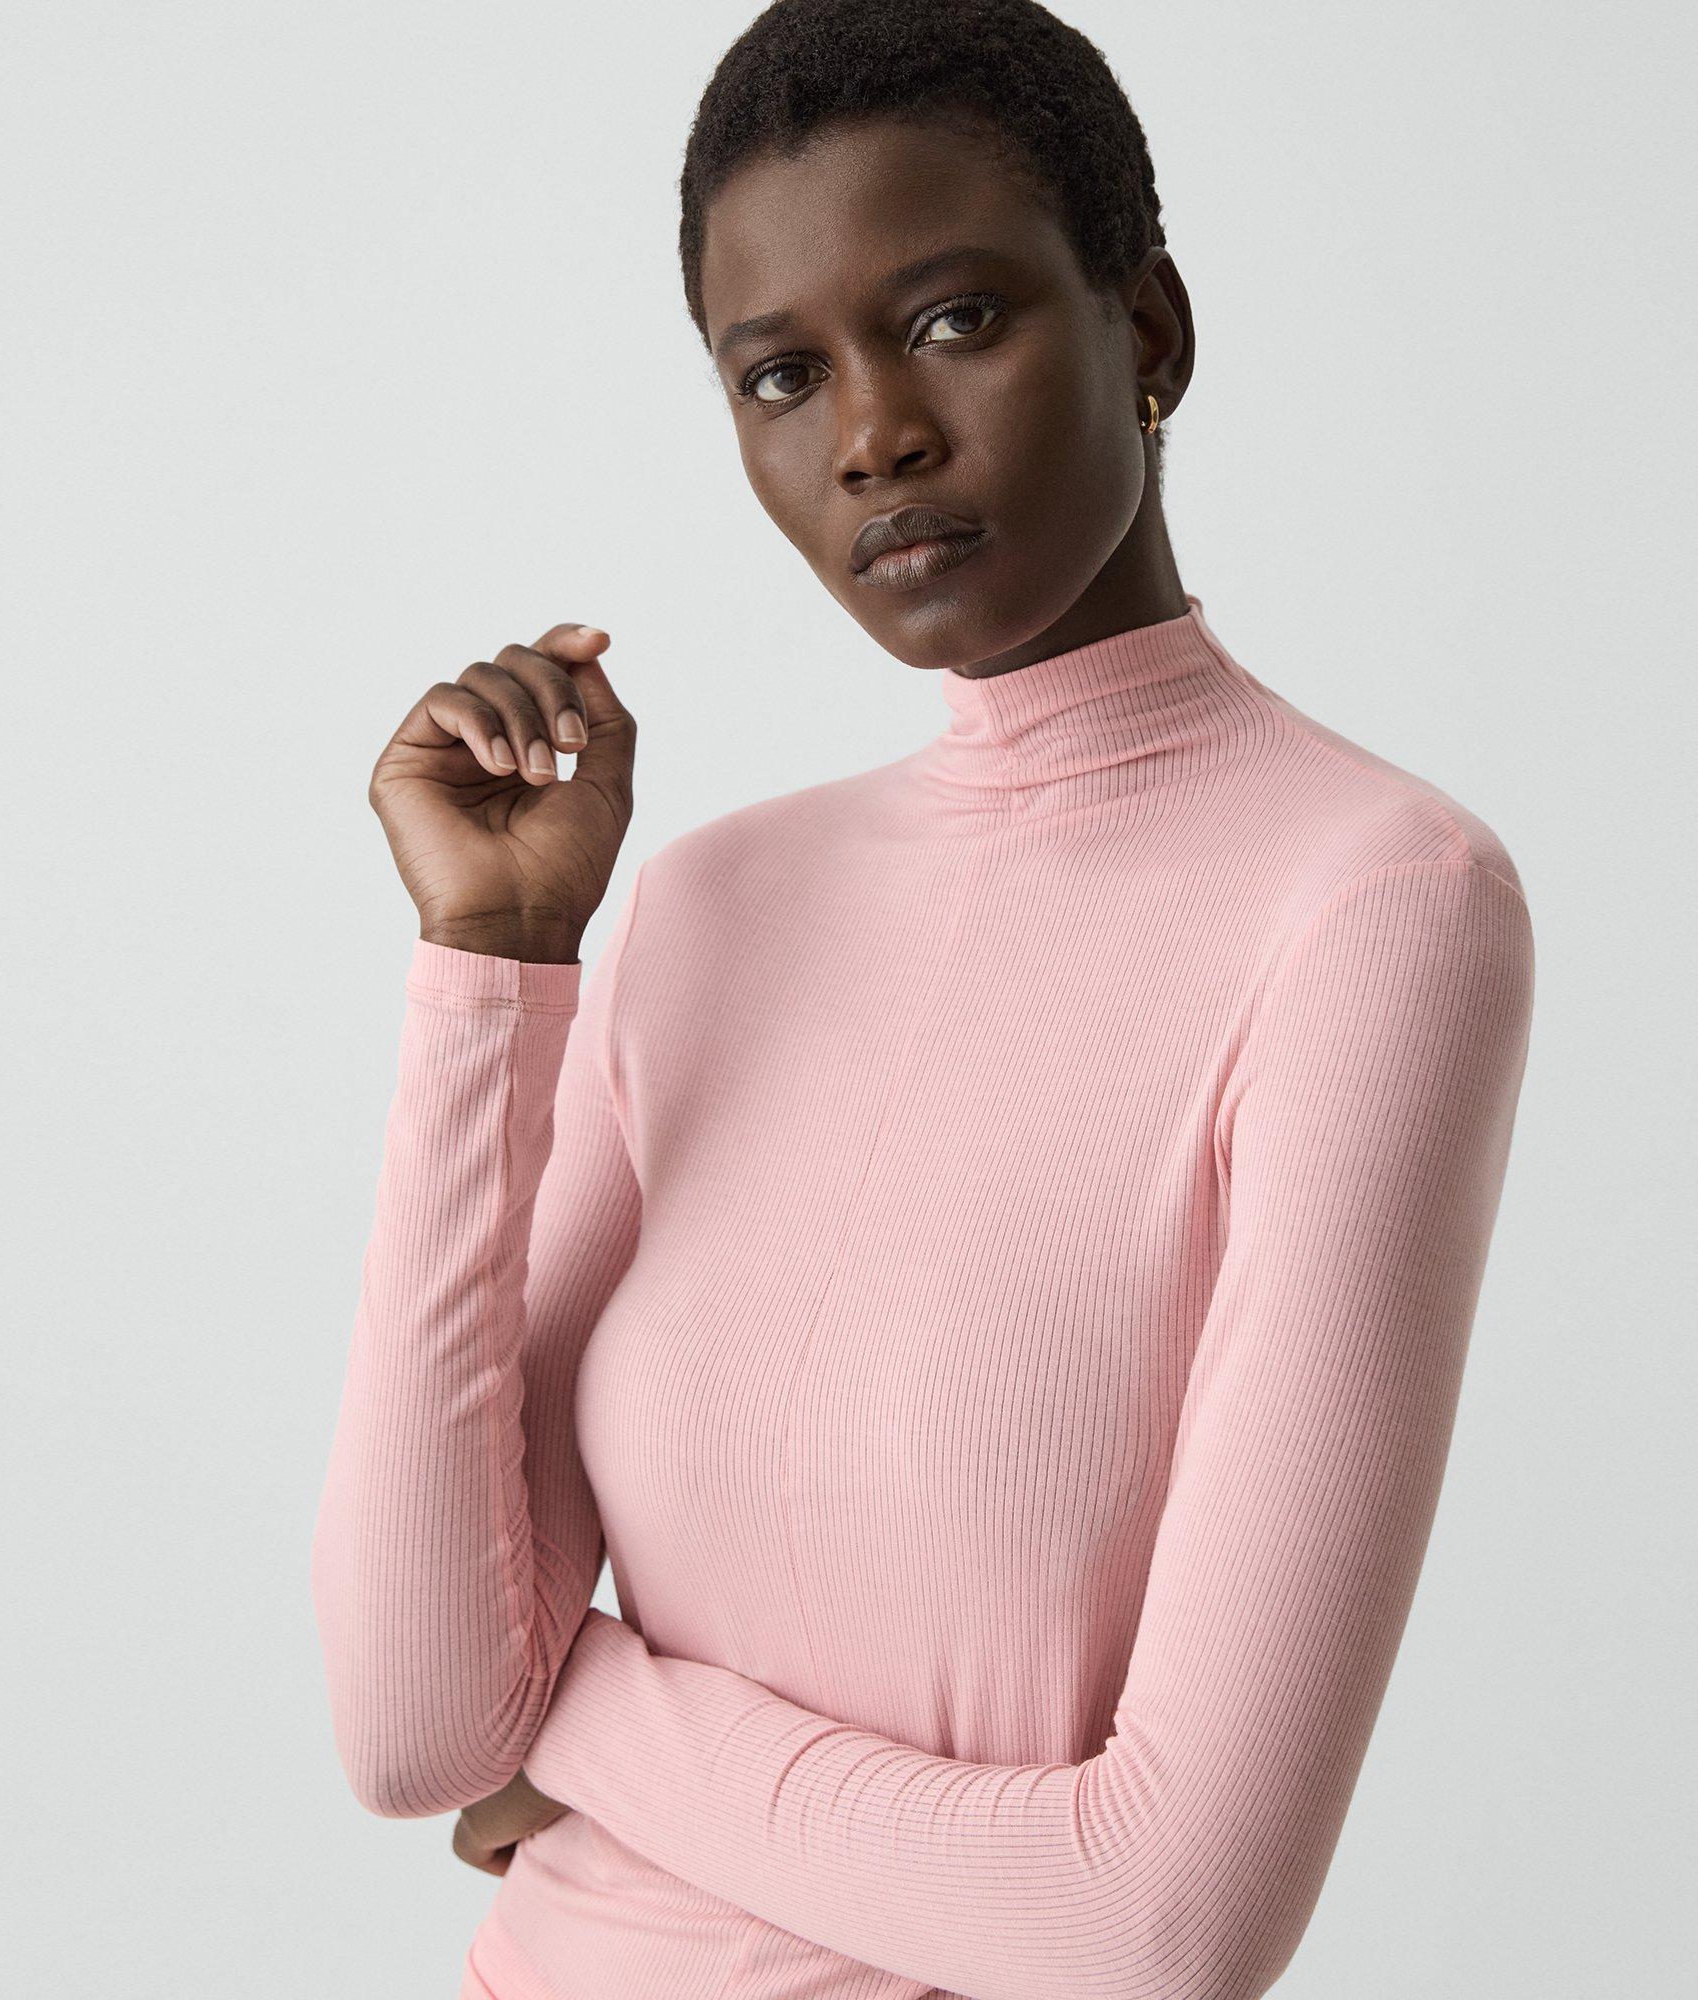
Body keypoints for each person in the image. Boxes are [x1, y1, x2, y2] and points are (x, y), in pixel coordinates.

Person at [309, 2, 1538, 1995]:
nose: (871, 432)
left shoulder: (1373, 907)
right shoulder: (709, 906)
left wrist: (579, 1714)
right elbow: (410, 1716)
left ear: (1148, 332)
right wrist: (492, 969)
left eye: (956, 319)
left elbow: (1156, 1923)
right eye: (780, 373)